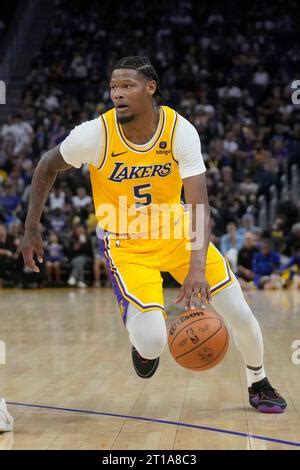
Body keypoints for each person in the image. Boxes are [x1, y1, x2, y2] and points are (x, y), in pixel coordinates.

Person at [17, 56, 286, 435]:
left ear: (150, 88)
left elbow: (198, 201)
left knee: (240, 314)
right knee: (153, 341)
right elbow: (46, 165)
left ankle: (258, 382)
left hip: (180, 236)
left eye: (126, 86)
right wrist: (31, 228)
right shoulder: (94, 135)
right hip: (128, 248)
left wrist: (195, 268)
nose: (117, 94)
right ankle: (143, 347)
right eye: (113, 87)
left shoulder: (180, 130)